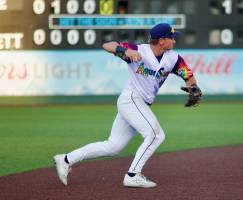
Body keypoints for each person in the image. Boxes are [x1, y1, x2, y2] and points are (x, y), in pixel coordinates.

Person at [54, 23, 202, 188]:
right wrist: (125, 51)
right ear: (161, 40)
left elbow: (188, 75)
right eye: (171, 38)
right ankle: (133, 174)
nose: (174, 41)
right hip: (131, 99)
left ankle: (66, 159)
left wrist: (194, 88)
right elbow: (107, 45)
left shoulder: (173, 58)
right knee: (156, 135)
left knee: (113, 146)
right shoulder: (139, 50)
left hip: (139, 104)